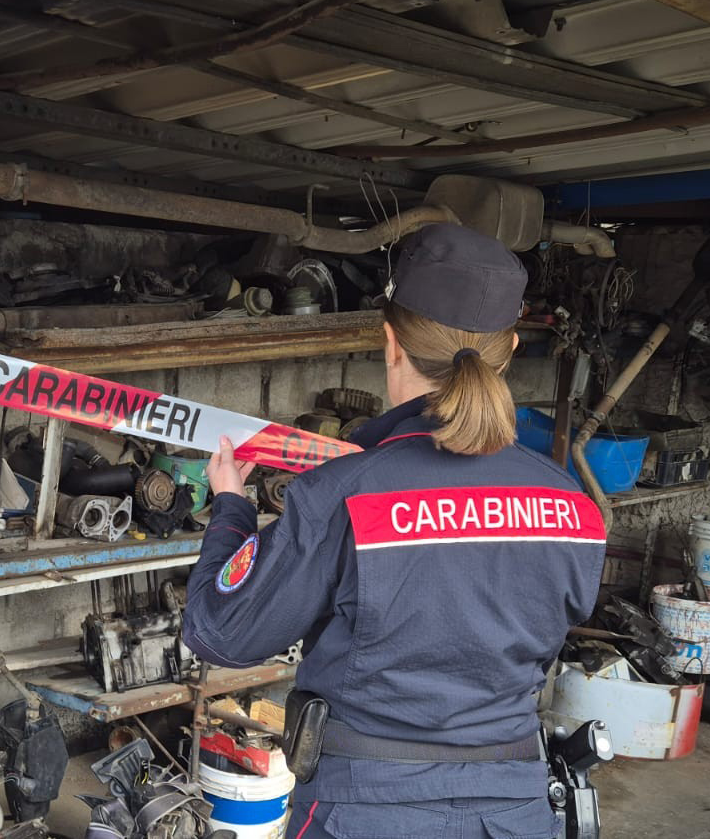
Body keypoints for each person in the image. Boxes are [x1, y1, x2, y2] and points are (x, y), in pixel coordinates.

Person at [183, 223, 606, 839]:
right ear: (510, 349)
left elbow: (220, 635)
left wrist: (230, 510)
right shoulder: (570, 502)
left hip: (365, 810)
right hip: (515, 811)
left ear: (390, 343)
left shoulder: (342, 495)